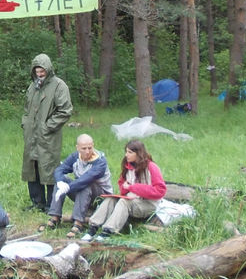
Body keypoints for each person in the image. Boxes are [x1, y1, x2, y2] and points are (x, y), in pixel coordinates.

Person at [82, 139, 166, 242]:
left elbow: (160, 191)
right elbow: (122, 184)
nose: (126, 155)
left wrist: (133, 187)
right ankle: (92, 228)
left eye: (130, 152)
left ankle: (108, 231)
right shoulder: (128, 166)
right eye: (126, 152)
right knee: (110, 199)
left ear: (138, 153)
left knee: (124, 202)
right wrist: (125, 189)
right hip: (132, 200)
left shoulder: (151, 167)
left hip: (148, 204)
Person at [21, 53, 73, 213]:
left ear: (48, 69)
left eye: (42, 69)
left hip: (48, 136)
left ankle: (52, 204)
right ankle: (37, 203)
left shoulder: (59, 86)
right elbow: (26, 109)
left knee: (49, 168)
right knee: (32, 168)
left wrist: (46, 127)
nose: (39, 72)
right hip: (31, 136)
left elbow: (65, 110)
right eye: (36, 69)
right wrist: (25, 123)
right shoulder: (33, 86)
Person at [40, 133, 113, 239]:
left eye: (90, 148)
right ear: (77, 147)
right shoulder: (75, 157)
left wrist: (68, 187)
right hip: (82, 192)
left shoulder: (100, 161)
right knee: (62, 181)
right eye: (84, 148)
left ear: (93, 145)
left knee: (85, 184)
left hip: (100, 197)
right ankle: (54, 217)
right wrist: (60, 182)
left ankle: (78, 223)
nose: (87, 151)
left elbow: (86, 179)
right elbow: (60, 169)